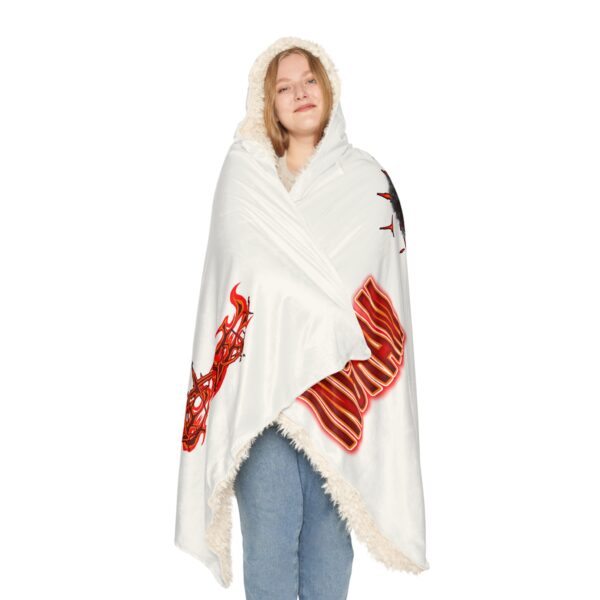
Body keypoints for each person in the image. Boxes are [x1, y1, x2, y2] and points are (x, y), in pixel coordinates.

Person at [175, 35, 428, 600]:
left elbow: (377, 280)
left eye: (309, 80)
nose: (300, 93)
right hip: (265, 399)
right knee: (269, 546)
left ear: (328, 86)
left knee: (330, 552)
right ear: (268, 103)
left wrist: (317, 310)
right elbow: (240, 276)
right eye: (284, 87)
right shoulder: (246, 178)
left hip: (340, 397)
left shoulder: (367, 180)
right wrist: (315, 307)